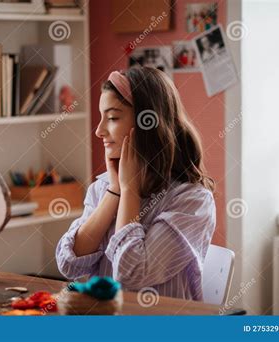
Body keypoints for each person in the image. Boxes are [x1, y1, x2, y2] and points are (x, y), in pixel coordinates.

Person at [55, 67, 216, 300]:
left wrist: (129, 189)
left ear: (148, 124)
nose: (99, 131)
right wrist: (115, 192)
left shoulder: (192, 201)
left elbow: (131, 273)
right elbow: (68, 264)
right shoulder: (103, 188)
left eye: (112, 118)